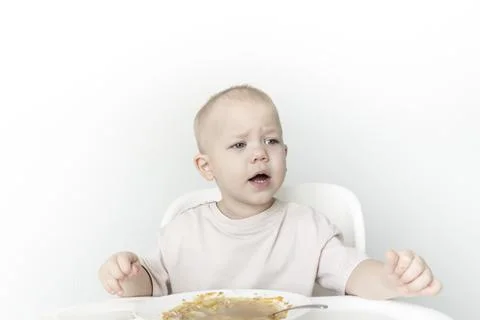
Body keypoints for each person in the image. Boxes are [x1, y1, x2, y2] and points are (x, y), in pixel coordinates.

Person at [98, 85, 442, 299]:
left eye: (271, 140)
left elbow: (355, 275)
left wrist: (390, 279)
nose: (260, 152)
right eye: (238, 144)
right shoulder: (183, 232)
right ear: (207, 167)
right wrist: (125, 277)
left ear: (285, 155)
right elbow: (146, 289)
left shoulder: (307, 228)